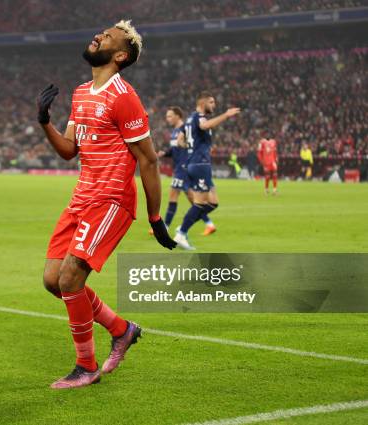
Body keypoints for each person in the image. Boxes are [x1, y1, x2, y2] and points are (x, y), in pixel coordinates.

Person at [36, 20, 176, 389]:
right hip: (81, 198)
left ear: (120, 55)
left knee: (70, 278)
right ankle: (121, 329)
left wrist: (155, 216)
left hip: (111, 199)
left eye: (108, 35)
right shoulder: (82, 92)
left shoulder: (123, 96)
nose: (98, 34)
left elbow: (147, 159)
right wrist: (44, 122)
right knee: (54, 281)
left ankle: (86, 367)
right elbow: (69, 150)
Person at [174, 92, 240, 250]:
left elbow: (179, 140)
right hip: (200, 164)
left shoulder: (189, 119)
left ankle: (183, 227)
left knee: (213, 203)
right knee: (200, 203)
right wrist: (226, 115)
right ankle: (181, 234)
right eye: (211, 102)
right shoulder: (198, 117)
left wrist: (191, 149)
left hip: (196, 163)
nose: (214, 105)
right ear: (202, 103)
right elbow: (205, 125)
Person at [160, 106, 215, 234]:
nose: (167, 119)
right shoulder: (175, 132)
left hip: (184, 169)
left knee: (176, 196)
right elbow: (176, 151)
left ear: (177, 116)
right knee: (193, 199)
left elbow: (190, 149)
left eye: (169, 116)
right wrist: (165, 153)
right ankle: (209, 224)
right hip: (180, 168)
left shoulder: (185, 129)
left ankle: (165, 228)